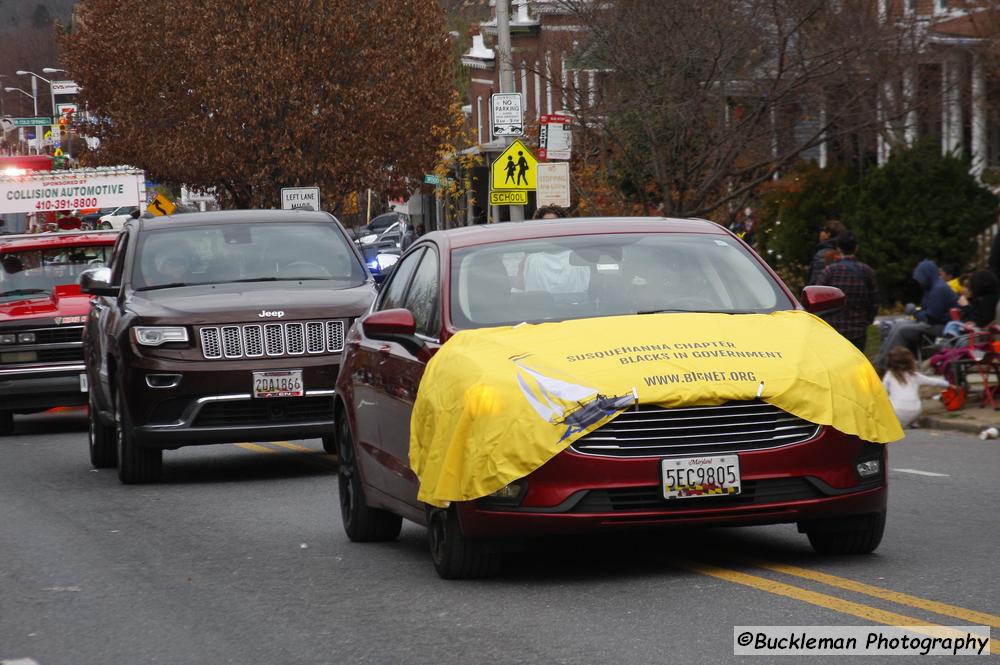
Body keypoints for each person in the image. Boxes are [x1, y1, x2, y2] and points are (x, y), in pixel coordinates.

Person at [874, 259, 958, 371]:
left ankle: (886, 365)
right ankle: (880, 361)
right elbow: (925, 312)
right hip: (933, 323)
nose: (920, 282)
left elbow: (931, 318)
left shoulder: (939, 289)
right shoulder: (932, 288)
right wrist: (917, 312)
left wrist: (914, 311)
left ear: (928, 274)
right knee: (897, 326)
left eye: (921, 278)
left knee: (902, 330)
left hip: (941, 328)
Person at [816, 231, 879, 351]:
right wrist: (867, 321)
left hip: (833, 330)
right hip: (858, 330)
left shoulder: (829, 271)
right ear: (856, 248)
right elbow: (874, 302)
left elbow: (818, 300)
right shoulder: (867, 272)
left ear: (839, 249)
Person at [882, 347, 951, 428]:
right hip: (915, 411)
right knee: (914, 399)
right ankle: (913, 423)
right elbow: (934, 381)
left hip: (896, 411)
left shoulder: (889, 375)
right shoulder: (915, 376)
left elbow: (882, 393)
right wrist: (949, 385)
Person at [806, 219, 845, 286]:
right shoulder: (843, 253)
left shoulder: (822, 254)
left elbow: (816, 282)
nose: (820, 233)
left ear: (828, 234)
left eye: (822, 230)